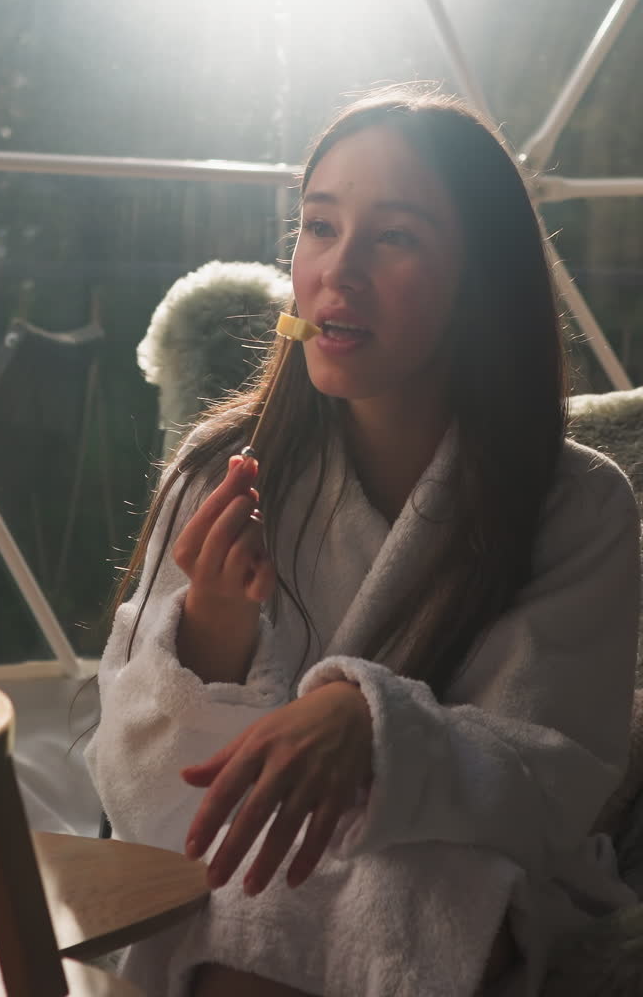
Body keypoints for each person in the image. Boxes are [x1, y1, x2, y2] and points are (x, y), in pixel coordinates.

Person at [86, 90, 641, 997]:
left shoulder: (577, 505)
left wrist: (372, 728)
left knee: (408, 892)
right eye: (319, 226)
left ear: (483, 279)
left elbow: (552, 779)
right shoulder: (219, 472)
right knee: (239, 902)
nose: (337, 272)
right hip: (239, 877)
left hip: (471, 889)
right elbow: (138, 789)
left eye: (396, 238)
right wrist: (215, 631)